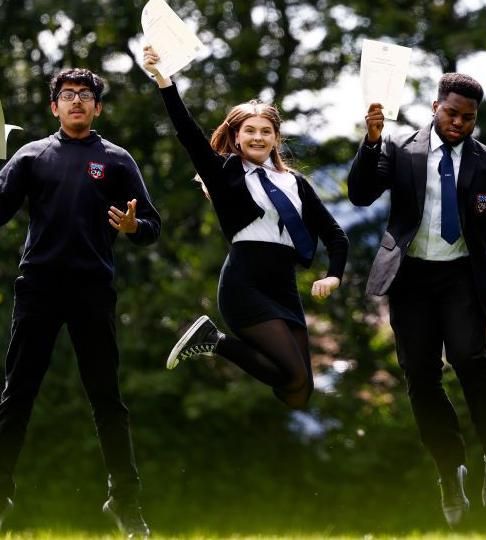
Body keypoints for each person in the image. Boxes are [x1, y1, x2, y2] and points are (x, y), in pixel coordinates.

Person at [347, 72, 486, 526]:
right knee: (421, 377)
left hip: (461, 280)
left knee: (471, 361)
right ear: (435, 107)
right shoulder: (401, 151)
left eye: (468, 118)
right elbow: (360, 193)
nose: (459, 124)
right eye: (452, 114)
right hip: (410, 279)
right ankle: (449, 471)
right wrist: (370, 143)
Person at [142, 47, 348, 411]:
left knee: (298, 392)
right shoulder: (224, 175)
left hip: (284, 287)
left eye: (265, 131)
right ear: (236, 138)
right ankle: (215, 340)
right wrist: (163, 79)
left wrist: (334, 275)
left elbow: (335, 235)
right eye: (249, 131)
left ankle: (215, 342)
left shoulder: (295, 183)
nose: (257, 137)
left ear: (276, 138)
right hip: (245, 283)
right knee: (293, 377)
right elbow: (188, 132)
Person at [0, 68, 158, 538]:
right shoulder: (32, 155)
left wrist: (132, 228)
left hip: (92, 290)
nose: (76, 102)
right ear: (54, 107)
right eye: (67, 95)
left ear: (97, 107)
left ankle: (125, 504)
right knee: (16, 397)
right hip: (39, 289)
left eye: (85, 96)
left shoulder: (116, 160)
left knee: (107, 399)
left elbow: (150, 227)